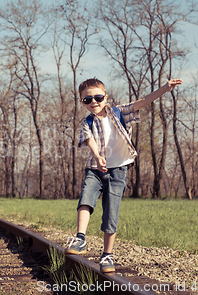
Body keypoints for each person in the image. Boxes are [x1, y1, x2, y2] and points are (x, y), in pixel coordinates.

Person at [65, 77, 183, 273]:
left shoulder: (120, 112)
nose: (93, 102)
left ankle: (107, 255)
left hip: (118, 169)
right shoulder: (86, 122)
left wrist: (165, 88)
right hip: (95, 168)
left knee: (111, 211)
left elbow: (144, 100)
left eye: (98, 97)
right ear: (82, 102)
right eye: (87, 100)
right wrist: (97, 156)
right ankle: (80, 238)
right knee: (85, 199)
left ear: (105, 97)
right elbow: (89, 140)